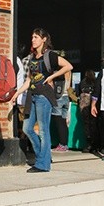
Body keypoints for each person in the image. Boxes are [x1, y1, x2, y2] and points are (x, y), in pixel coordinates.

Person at [16, 28, 73, 173]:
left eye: (36, 37)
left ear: (44, 39)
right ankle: (43, 156)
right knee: (27, 128)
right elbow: (29, 80)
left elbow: (68, 66)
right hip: (32, 96)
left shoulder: (50, 56)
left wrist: (52, 77)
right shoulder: (32, 58)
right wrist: (16, 94)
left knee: (43, 130)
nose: (33, 39)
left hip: (44, 97)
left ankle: (43, 164)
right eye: (32, 37)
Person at [77, 69, 102, 154]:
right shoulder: (96, 82)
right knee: (95, 124)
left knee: (86, 124)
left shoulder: (83, 82)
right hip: (94, 104)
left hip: (84, 105)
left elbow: (78, 92)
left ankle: (89, 144)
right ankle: (97, 144)